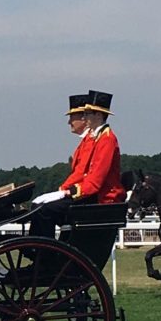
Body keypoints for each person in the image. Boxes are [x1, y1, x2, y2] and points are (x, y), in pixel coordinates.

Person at [30, 90, 125, 238]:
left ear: (99, 115)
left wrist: (67, 192)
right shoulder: (96, 138)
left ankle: (42, 253)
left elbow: (95, 181)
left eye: (88, 113)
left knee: (45, 211)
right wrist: (63, 191)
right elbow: (82, 172)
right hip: (91, 195)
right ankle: (41, 252)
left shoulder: (107, 139)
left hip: (102, 199)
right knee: (42, 209)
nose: (84, 117)